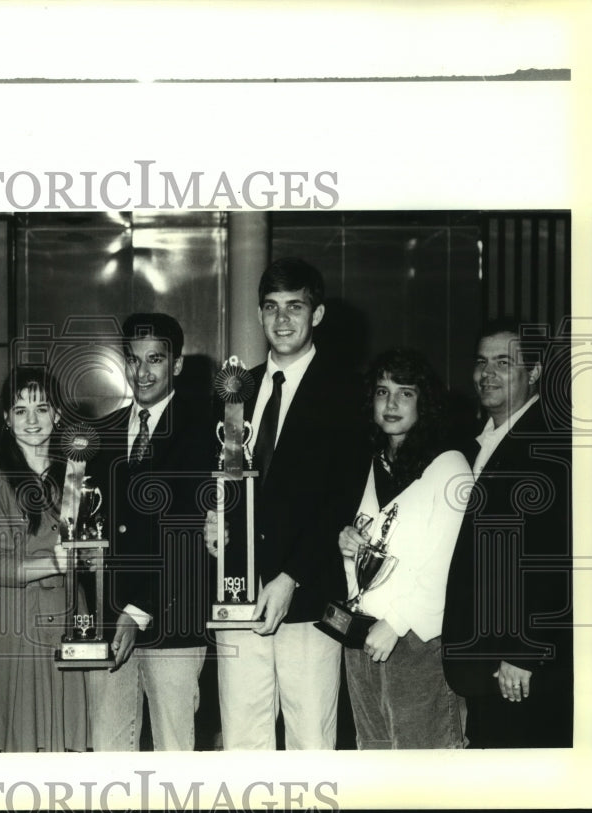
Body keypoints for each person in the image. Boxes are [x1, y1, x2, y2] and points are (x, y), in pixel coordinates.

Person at [207, 257, 365, 750]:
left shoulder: (347, 392)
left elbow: (343, 498)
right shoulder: (238, 390)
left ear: (316, 315)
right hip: (238, 592)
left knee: (309, 740)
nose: (282, 320)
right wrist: (214, 519)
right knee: (241, 739)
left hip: (307, 592)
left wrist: (290, 575)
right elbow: (224, 478)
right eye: (271, 307)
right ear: (258, 314)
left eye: (295, 307)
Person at [84, 313, 213, 751]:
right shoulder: (102, 433)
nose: (143, 372)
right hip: (110, 624)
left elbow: (191, 537)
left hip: (173, 622)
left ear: (176, 364)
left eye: (155, 359)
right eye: (134, 360)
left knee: (173, 753)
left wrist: (137, 610)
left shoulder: (204, 434)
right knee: (108, 752)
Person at [442, 319, 572, 748]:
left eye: (503, 363)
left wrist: (524, 651)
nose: (487, 374)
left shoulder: (546, 445)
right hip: (486, 658)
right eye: (481, 363)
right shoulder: (481, 442)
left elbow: (556, 557)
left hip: (518, 665)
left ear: (533, 373)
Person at [336, 348, 470, 749]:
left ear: (423, 402)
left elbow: (445, 563)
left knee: (424, 766)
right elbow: (379, 543)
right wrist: (348, 543)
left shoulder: (449, 466)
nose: (391, 403)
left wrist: (394, 624)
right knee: (374, 758)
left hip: (414, 639)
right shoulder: (374, 462)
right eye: (382, 391)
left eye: (405, 392)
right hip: (363, 636)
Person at [0, 367, 87, 752]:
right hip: (15, 622)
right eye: (20, 410)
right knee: (19, 752)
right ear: (6, 418)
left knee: (71, 752)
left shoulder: (76, 474)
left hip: (71, 615)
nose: (32, 420)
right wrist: (58, 562)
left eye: (41, 409)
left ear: (58, 415)